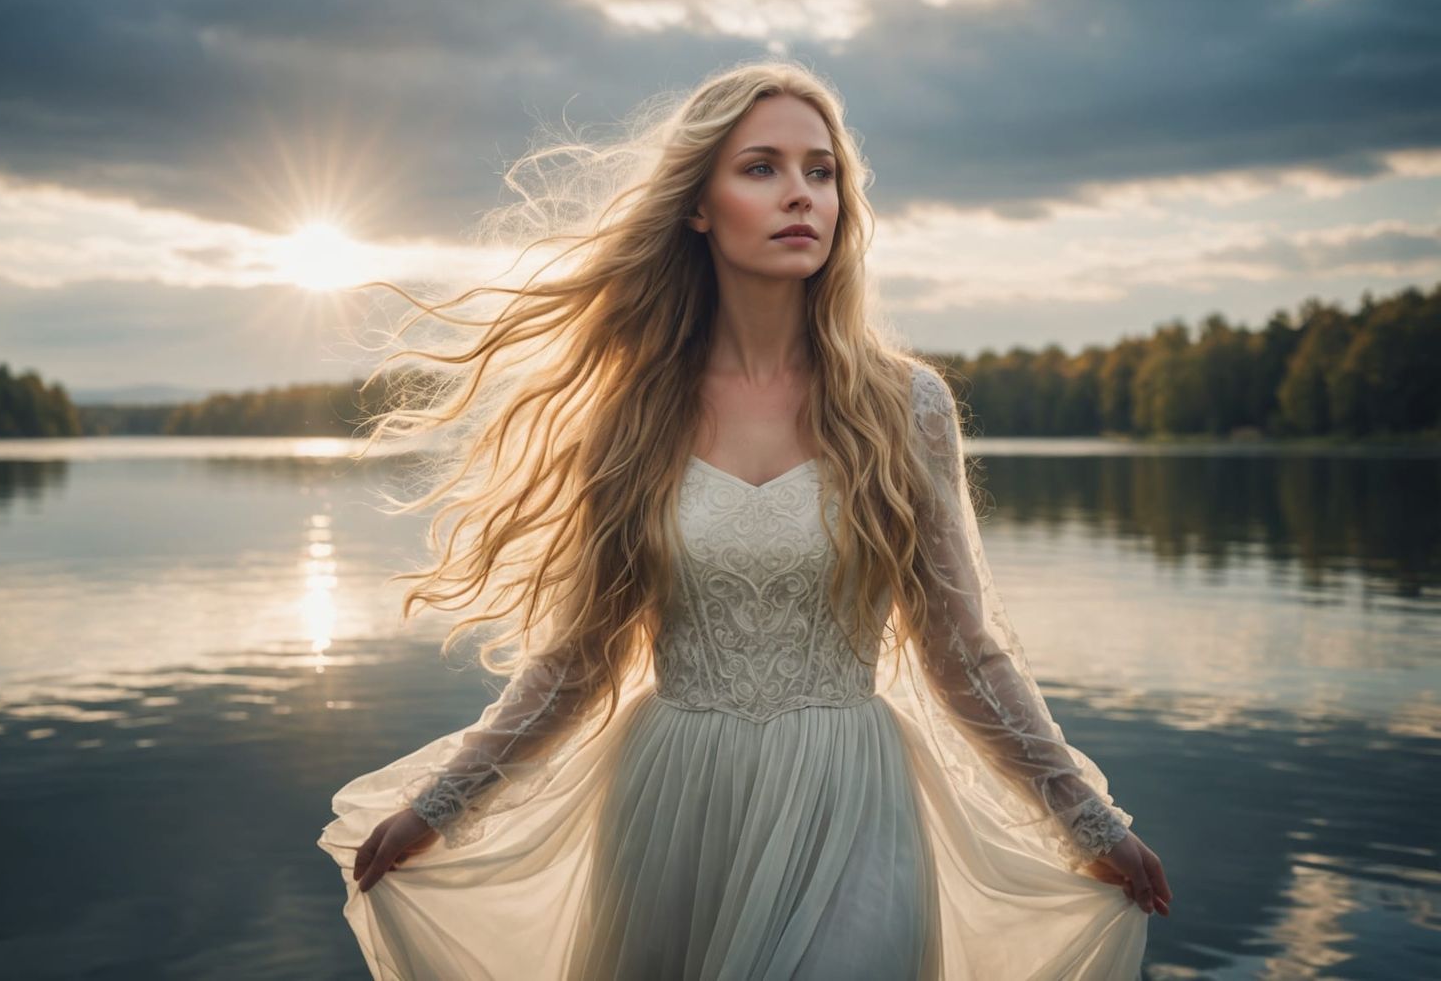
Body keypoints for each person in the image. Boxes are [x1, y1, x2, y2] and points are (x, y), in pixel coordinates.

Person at [318, 58, 1173, 979]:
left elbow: (961, 650)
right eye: (761, 167)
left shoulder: (904, 404)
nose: (800, 194)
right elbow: (580, 660)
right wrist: (439, 807)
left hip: (851, 793)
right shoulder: (635, 411)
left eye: (822, 170)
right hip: (675, 798)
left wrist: (1086, 816)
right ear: (699, 204)